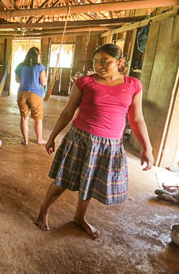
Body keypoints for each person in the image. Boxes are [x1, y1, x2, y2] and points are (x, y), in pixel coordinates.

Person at [35, 43, 154, 238]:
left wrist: (146, 147)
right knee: (63, 178)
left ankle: (79, 218)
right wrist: (52, 137)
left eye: (104, 61)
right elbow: (67, 112)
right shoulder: (85, 82)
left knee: (88, 182)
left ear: (119, 62)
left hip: (110, 145)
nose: (98, 65)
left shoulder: (133, 85)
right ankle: (44, 210)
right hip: (81, 138)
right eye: (95, 61)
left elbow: (137, 118)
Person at [15, 46, 47, 145]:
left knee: (24, 118)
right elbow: (43, 82)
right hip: (35, 94)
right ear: (37, 55)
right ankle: (39, 139)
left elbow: (17, 80)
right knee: (38, 118)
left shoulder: (20, 66)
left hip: (22, 94)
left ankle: (25, 140)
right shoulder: (39, 66)